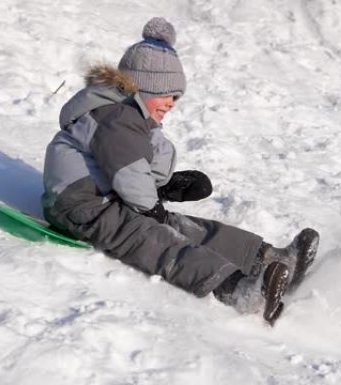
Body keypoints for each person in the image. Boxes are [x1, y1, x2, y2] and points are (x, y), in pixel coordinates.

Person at [41, 17, 319, 326]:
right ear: (142, 88)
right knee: (157, 238)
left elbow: (144, 167)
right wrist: (150, 203)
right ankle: (238, 288)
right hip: (81, 207)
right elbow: (129, 172)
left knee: (182, 225)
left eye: (177, 97)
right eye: (168, 95)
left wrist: (165, 185)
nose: (172, 103)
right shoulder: (114, 116)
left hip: (110, 197)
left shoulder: (133, 120)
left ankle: (266, 257)